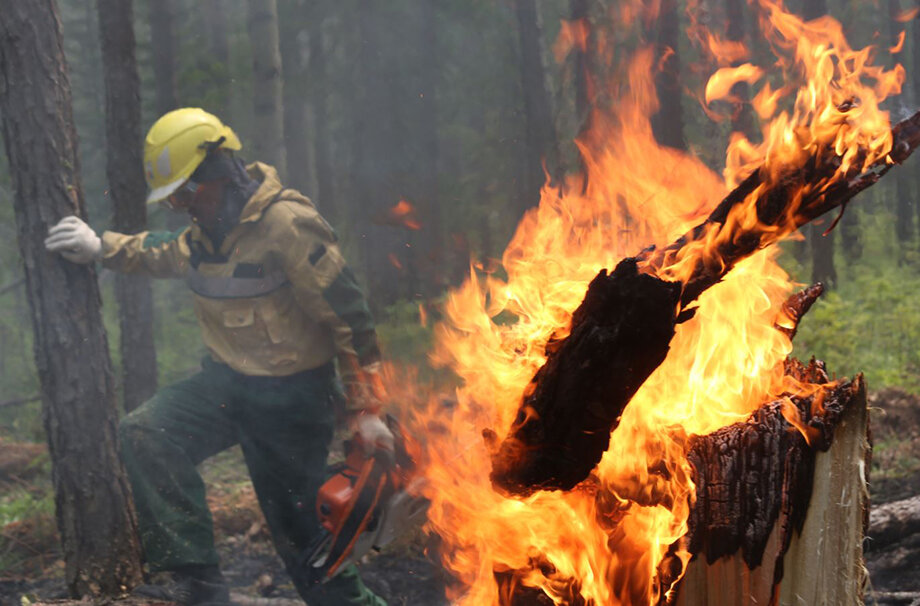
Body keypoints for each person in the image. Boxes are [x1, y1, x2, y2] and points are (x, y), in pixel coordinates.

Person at [44, 108, 391, 606]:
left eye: (187, 191)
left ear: (220, 171)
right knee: (147, 432)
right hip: (227, 387)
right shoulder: (206, 231)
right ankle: (197, 585)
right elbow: (164, 251)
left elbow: (350, 318)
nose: (182, 205)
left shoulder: (287, 224)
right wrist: (100, 246)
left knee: (314, 559)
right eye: (174, 197)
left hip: (293, 405)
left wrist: (368, 409)